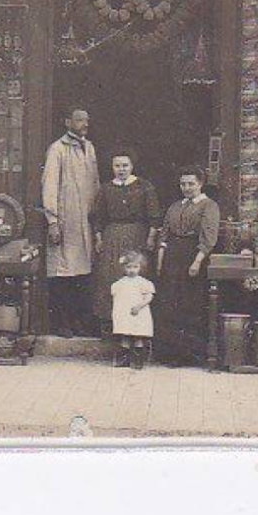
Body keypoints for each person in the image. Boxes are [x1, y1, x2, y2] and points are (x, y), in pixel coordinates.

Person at [40, 107, 100, 337]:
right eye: (79, 120)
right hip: (67, 221)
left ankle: (80, 323)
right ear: (67, 122)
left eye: (86, 119)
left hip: (86, 220)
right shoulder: (58, 149)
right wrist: (53, 221)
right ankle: (62, 323)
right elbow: (50, 185)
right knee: (64, 274)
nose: (84, 123)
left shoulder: (90, 147)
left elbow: (94, 184)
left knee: (82, 274)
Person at [154, 166, 220, 365]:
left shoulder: (209, 206)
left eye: (191, 183)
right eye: (183, 184)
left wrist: (197, 261)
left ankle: (188, 355)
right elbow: (164, 233)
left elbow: (209, 237)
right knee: (170, 302)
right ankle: (169, 353)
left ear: (200, 183)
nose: (187, 187)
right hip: (173, 255)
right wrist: (160, 259)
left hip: (193, 254)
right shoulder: (175, 206)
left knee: (189, 303)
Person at [90, 148, 161, 333]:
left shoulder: (144, 186)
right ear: (112, 167)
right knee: (111, 278)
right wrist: (99, 238)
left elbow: (154, 216)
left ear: (132, 166)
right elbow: (98, 217)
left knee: (137, 278)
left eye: (125, 165)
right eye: (117, 166)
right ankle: (111, 326)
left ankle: (137, 329)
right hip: (112, 236)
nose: (121, 169)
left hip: (137, 235)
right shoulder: (106, 188)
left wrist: (151, 238)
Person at [109, 250, 156, 370]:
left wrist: (139, 306)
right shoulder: (119, 283)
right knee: (125, 335)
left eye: (135, 267)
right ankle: (124, 359)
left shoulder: (143, 283)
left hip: (138, 313)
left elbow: (149, 297)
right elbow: (117, 297)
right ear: (123, 267)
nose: (132, 270)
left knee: (138, 337)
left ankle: (138, 360)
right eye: (129, 267)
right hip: (125, 314)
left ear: (140, 267)